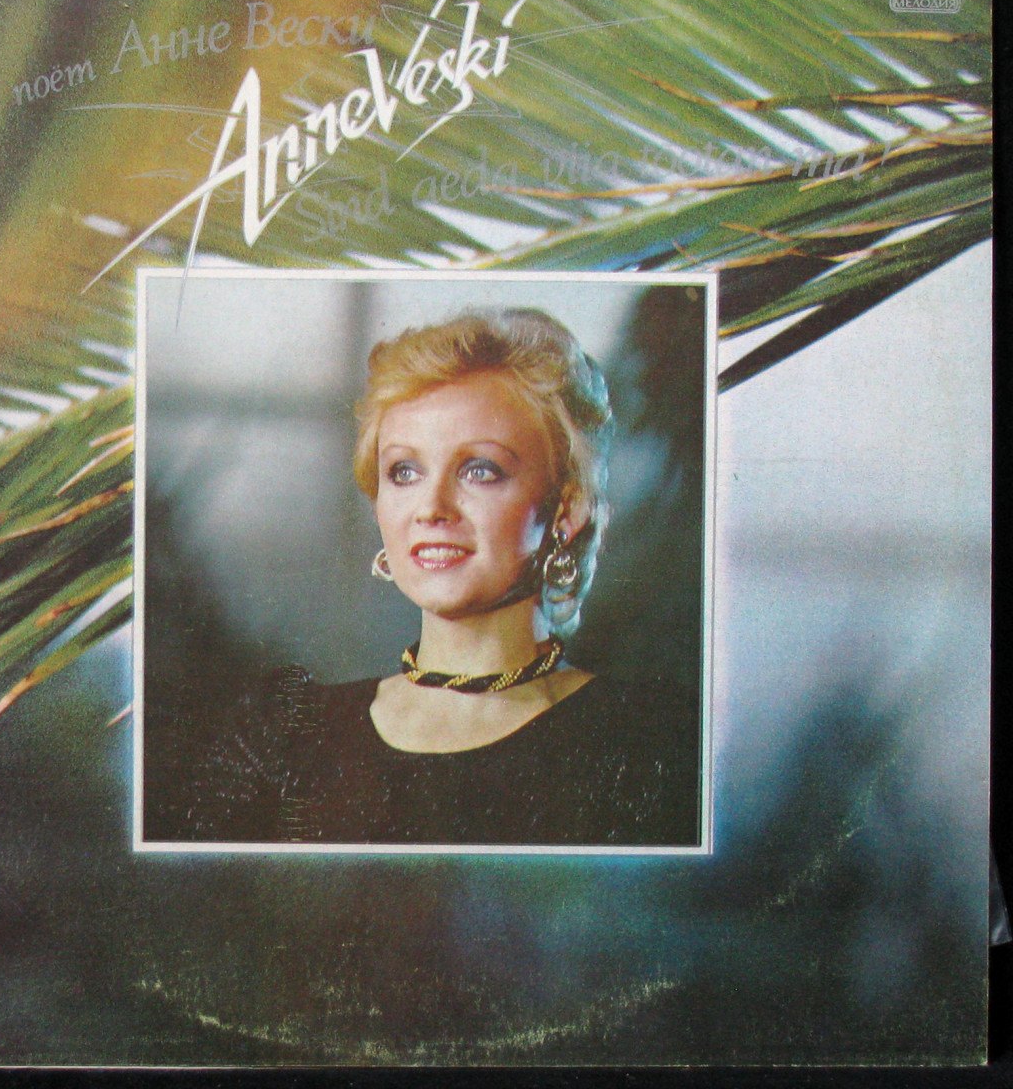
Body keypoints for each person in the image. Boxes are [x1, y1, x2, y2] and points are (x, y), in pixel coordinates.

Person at [191, 307, 699, 846]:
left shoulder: (646, 741)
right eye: (404, 472)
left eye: (480, 470)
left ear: (566, 509)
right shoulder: (290, 737)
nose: (431, 508)